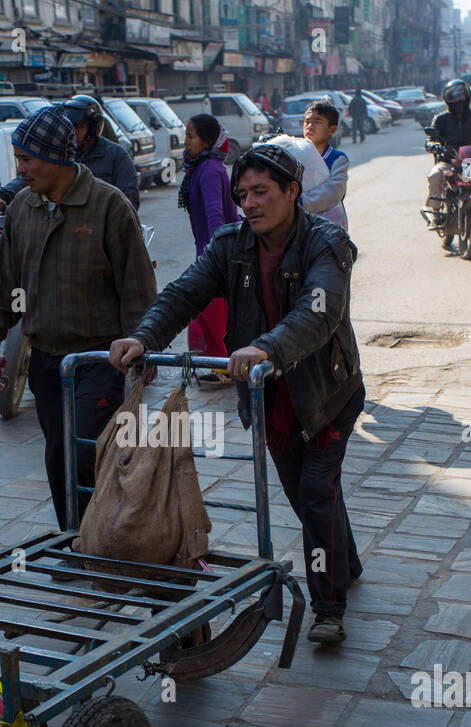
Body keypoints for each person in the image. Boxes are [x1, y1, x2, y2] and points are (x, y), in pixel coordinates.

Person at [107, 144, 365, 645]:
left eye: (261, 192)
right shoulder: (231, 246)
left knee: (314, 491)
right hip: (269, 399)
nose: (249, 203)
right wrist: (145, 337)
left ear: (293, 191)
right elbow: (183, 293)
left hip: (327, 393)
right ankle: (345, 560)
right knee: (310, 495)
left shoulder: (327, 243)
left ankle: (329, 607)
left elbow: (320, 311)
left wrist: (267, 346)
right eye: (242, 193)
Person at [0, 107, 157, 530]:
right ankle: (75, 542)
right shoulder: (22, 208)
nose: (20, 168)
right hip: (46, 361)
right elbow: (1, 284)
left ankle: (106, 540)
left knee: (86, 450)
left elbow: (138, 288)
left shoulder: (108, 205)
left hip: (99, 361)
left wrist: (145, 349)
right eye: (18, 158)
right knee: (58, 453)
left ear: (56, 158)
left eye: (27, 159)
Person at [0, 94, 140, 212]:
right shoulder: (57, 153)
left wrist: (102, 211)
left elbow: (130, 199)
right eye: (68, 127)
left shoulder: (115, 155)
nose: (71, 132)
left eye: (77, 127)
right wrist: (4, 196)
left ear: (92, 128)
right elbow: (32, 176)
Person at [180, 113, 239, 386]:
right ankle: (216, 363)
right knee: (208, 311)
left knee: (212, 312)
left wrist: (215, 256)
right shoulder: (201, 167)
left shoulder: (209, 170)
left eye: (191, 137)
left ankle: (223, 366)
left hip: (213, 252)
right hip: (207, 249)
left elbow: (215, 214)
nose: (186, 142)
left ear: (206, 142)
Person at [426, 79, 471, 234]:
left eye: (462, 96)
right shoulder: (440, 119)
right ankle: (436, 213)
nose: (459, 101)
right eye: (455, 97)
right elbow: (430, 140)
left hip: (468, 162)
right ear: (447, 99)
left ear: (467, 97)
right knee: (434, 175)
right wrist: (434, 146)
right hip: (447, 161)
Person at [300, 99, 350, 230]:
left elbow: (333, 191)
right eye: (307, 121)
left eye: (317, 122)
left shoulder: (337, 159)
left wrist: (300, 202)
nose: (310, 126)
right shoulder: (295, 155)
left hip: (330, 224)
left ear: (332, 129)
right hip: (301, 223)